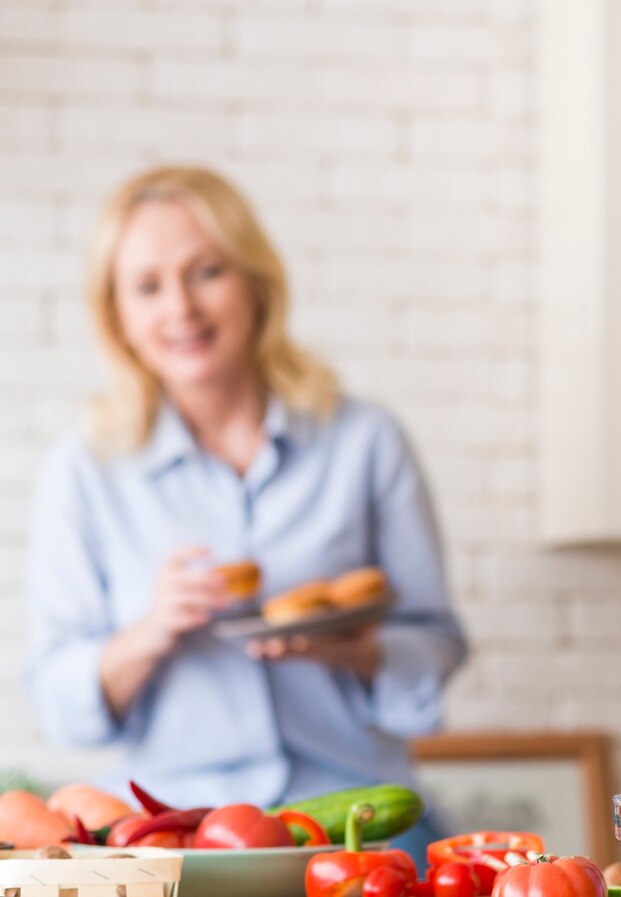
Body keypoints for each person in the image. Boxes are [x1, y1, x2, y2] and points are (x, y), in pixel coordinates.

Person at [24, 166, 466, 859]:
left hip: (357, 812)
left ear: (255, 283)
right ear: (119, 317)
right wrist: (152, 629)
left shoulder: (365, 441)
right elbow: (56, 696)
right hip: (173, 827)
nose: (181, 308)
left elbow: (436, 640)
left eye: (206, 271)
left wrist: (350, 648)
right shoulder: (84, 470)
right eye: (147, 286)